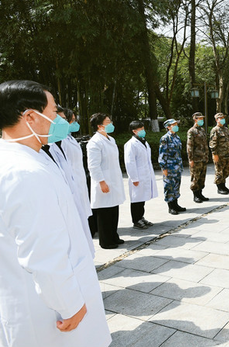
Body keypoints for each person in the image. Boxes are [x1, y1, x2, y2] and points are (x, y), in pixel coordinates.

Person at [0, 80, 111, 347]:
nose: (57, 120)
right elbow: (43, 250)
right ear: (29, 117)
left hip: (45, 294)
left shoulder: (28, 158)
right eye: (51, 113)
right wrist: (70, 304)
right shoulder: (24, 172)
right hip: (51, 311)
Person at [48, 107, 95, 256]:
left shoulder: (66, 139)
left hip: (78, 184)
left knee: (82, 227)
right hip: (68, 194)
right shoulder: (54, 144)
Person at [87, 112, 126, 249]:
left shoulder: (111, 139)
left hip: (114, 180)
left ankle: (113, 235)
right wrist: (101, 181)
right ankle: (105, 240)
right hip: (103, 181)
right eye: (108, 122)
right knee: (104, 213)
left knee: (113, 209)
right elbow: (93, 165)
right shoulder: (94, 142)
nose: (111, 124)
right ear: (99, 126)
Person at [124, 121, 158, 229]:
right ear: (134, 131)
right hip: (137, 176)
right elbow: (130, 162)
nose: (143, 131)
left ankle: (141, 217)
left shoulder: (143, 142)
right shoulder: (131, 144)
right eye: (140, 129)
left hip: (145, 174)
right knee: (136, 199)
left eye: (143, 128)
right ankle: (136, 220)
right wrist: (134, 177)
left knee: (142, 198)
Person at [158, 118, 186, 215]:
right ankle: (171, 207)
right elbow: (162, 154)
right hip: (169, 167)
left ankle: (176, 204)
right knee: (169, 186)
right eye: (173, 125)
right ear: (168, 127)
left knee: (176, 185)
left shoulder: (176, 137)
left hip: (177, 166)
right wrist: (164, 168)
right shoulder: (165, 138)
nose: (176, 126)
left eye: (176, 124)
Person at [187, 112, 210, 203]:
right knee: (195, 177)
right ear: (195, 119)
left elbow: (205, 144)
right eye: (199, 119)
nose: (201, 120)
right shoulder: (191, 131)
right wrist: (191, 159)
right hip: (196, 159)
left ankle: (200, 193)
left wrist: (207, 156)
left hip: (203, 158)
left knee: (202, 177)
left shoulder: (202, 130)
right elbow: (189, 146)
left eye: (202, 119)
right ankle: (195, 195)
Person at [210, 112, 229, 195]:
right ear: (217, 120)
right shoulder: (215, 130)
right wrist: (214, 154)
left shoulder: (226, 129)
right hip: (219, 155)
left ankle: (224, 186)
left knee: (225, 171)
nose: (223, 119)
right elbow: (213, 144)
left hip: (226, 154)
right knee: (219, 172)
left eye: (223, 118)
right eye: (221, 118)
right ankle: (219, 188)